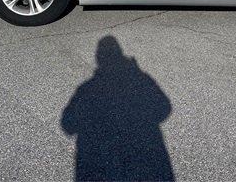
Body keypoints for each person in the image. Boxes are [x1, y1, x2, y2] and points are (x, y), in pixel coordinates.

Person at [61, 36, 174, 181]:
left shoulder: (87, 88)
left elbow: (67, 125)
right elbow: (164, 108)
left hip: (97, 160)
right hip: (142, 154)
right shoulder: (141, 79)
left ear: (98, 58)